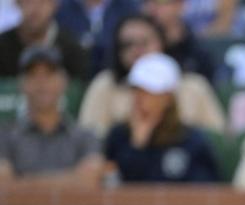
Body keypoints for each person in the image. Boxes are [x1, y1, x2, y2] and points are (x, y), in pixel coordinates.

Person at [77, 14, 225, 137]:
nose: (136, 50)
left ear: (162, 43)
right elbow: (89, 138)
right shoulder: (105, 85)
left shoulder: (194, 86)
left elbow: (217, 138)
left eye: (144, 42)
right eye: (127, 44)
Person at [103, 52, 220, 182]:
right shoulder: (118, 137)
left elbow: (206, 190)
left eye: (149, 92)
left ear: (168, 97)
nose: (140, 98)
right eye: (137, 90)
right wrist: (137, 145)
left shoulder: (190, 141)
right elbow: (112, 188)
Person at [0, 47, 103, 186]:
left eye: (49, 74)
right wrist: (72, 179)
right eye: (33, 75)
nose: (41, 82)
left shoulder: (85, 136)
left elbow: (90, 178)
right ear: (21, 84)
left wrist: (21, 181)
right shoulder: (5, 136)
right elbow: (3, 182)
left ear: (64, 81)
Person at [0, 0, 89, 79]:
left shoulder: (72, 49)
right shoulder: (2, 46)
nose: (34, 9)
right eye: (28, 1)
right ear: (17, 4)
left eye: (42, 2)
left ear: (55, 5)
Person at [142, 0, 216, 83]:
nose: (151, 7)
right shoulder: (134, 43)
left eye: (160, 2)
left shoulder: (197, 52)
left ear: (180, 4)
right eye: (146, 1)